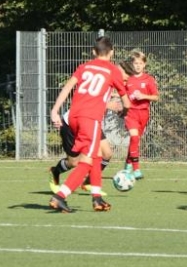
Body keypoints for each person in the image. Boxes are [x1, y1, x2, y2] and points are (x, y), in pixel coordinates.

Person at [48, 36, 131, 213]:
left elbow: (67, 88)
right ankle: (60, 196)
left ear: (93, 52)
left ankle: (97, 198)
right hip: (90, 118)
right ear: (112, 52)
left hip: (73, 116)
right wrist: (124, 112)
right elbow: (127, 102)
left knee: (97, 155)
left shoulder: (84, 67)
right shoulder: (112, 70)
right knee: (86, 161)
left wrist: (55, 111)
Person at [122, 49, 159, 179]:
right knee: (134, 137)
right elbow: (122, 94)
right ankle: (136, 169)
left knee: (135, 141)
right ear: (132, 64)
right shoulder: (128, 79)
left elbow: (156, 97)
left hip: (143, 114)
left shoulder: (148, 79)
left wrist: (143, 96)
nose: (138, 66)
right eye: (135, 63)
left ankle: (127, 165)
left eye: (140, 63)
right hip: (131, 113)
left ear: (144, 64)